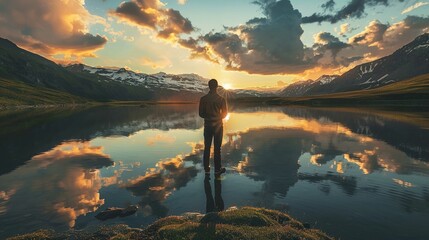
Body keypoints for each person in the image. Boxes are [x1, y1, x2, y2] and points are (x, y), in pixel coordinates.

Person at [199, 79, 228, 175]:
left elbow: (201, 114)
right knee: (217, 148)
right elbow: (224, 114)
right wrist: (216, 118)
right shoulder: (221, 99)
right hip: (218, 127)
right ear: (217, 87)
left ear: (209, 86)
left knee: (207, 147)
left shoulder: (203, 99)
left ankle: (206, 169)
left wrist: (209, 117)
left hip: (207, 126)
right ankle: (217, 170)